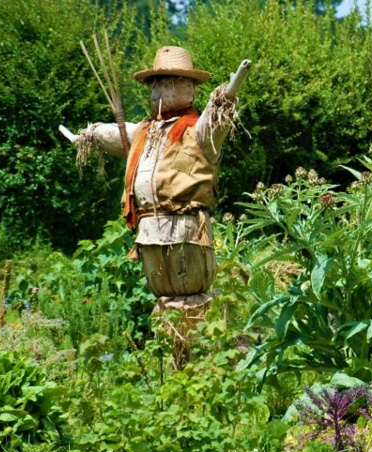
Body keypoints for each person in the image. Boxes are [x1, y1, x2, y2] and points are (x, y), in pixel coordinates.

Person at [61, 46, 247, 339]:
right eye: (156, 84)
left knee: (190, 297)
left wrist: (230, 90)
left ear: (189, 88)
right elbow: (116, 134)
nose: (159, 91)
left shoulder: (196, 131)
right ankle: (169, 352)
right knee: (165, 300)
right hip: (149, 231)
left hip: (186, 230)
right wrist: (89, 135)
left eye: (169, 83)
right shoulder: (144, 132)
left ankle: (197, 350)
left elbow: (216, 119)